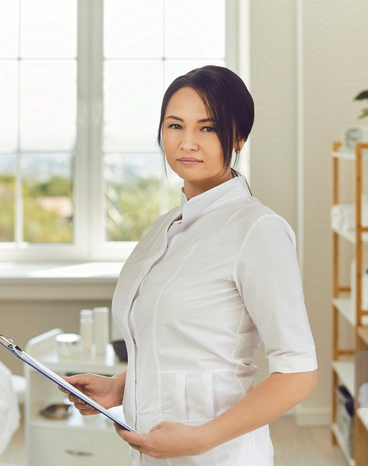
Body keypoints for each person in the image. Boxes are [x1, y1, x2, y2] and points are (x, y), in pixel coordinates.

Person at [62, 65, 317, 465]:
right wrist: (119, 387)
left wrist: (201, 439)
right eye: (175, 125)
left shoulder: (258, 230)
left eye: (208, 128)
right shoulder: (165, 228)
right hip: (155, 453)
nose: (188, 143)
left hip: (220, 456)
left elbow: (298, 373)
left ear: (238, 137)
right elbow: (182, 350)